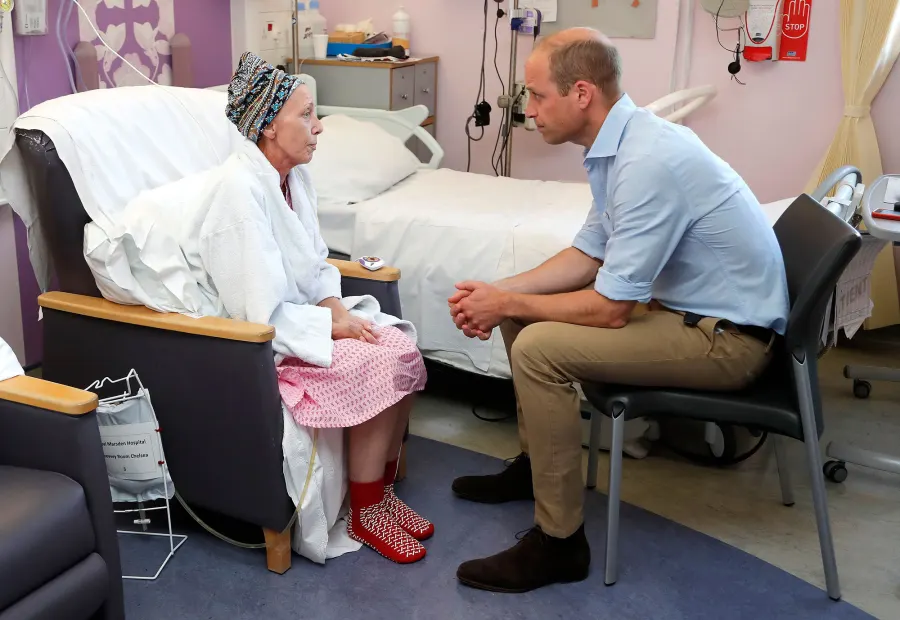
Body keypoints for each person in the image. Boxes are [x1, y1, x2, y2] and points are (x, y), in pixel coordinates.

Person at [447, 28, 789, 592]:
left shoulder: (648, 160)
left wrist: (509, 300)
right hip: (695, 316)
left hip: (730, 341)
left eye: (537, 96)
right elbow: (587, 253)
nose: (528, 111)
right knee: (520, 315)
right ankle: (539, 470)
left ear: (582, 92)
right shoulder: (619, 146)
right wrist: (497, 293)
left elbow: (611, 309)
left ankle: (559, 545)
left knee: (536, 349)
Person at [215, 52, 431, 563]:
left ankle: (380, 496)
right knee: (375, 362)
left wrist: (336, 308)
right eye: (306, 115)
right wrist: (329, 326)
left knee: (399, 345)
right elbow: (256, 312)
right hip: (266, 342)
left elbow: (315, 265)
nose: (319, 128)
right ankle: (366, 511)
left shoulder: (295, 179)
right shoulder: (239, 194)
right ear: (268, 126)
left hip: (306, 317)